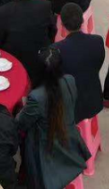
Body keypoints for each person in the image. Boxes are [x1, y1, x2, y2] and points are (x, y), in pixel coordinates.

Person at [16, 47, 90, 189]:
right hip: (69, 137)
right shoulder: (70, 80)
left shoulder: (37, 97)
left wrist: (22, 109)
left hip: (45, 148)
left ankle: (24, 176)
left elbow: (21, 123)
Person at [0, 0, 56, 84]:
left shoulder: (2, 11)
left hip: (14, 59)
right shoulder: (45, 6)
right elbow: (52, 31)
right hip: (41, 56)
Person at [54, 2, 106, 123]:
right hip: (94, 101)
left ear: (62, 24)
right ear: (82, 21)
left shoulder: (57, 49)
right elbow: (98, 64)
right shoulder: (97, 41)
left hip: (69, 107)